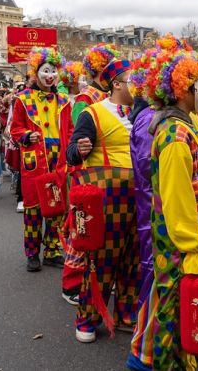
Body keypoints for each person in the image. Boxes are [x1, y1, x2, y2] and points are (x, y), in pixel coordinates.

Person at [127, 49, 198, 371]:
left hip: (187, 241)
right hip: (182, 244)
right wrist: (193, 245)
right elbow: (177, 201)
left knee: (168, 302)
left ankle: (146, 358)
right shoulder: (176, 135)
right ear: (184, 90)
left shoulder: (182, 124)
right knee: (174, 313)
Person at [67, 56, 140, 343]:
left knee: (134, 259)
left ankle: (126, 313)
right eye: (134, 79)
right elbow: (71, 153)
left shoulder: (144, 111)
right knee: (102, 260)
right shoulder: (93, 113)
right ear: (118, 83)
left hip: (141, 196)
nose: (140, 84)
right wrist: (80, 148)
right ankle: (88, 318)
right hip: (109, 197)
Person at [9, 48, 72, 272]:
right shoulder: (23, 99)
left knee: (57, 207)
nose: (50, 76)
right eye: (45, 71)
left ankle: (53, 251)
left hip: (59, 160)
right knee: (34, 209)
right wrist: (26, 136)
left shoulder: (64, 100)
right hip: (35, 160)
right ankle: (32, 253)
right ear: (36, 73)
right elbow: (14, 129)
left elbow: (70, 129)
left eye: (53, 71)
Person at [71, 43, 118, 124]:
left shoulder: (112, 94)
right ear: (100, 67)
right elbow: (78, 132)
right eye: (113, 66)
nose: (117, 70)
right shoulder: (84, 98)